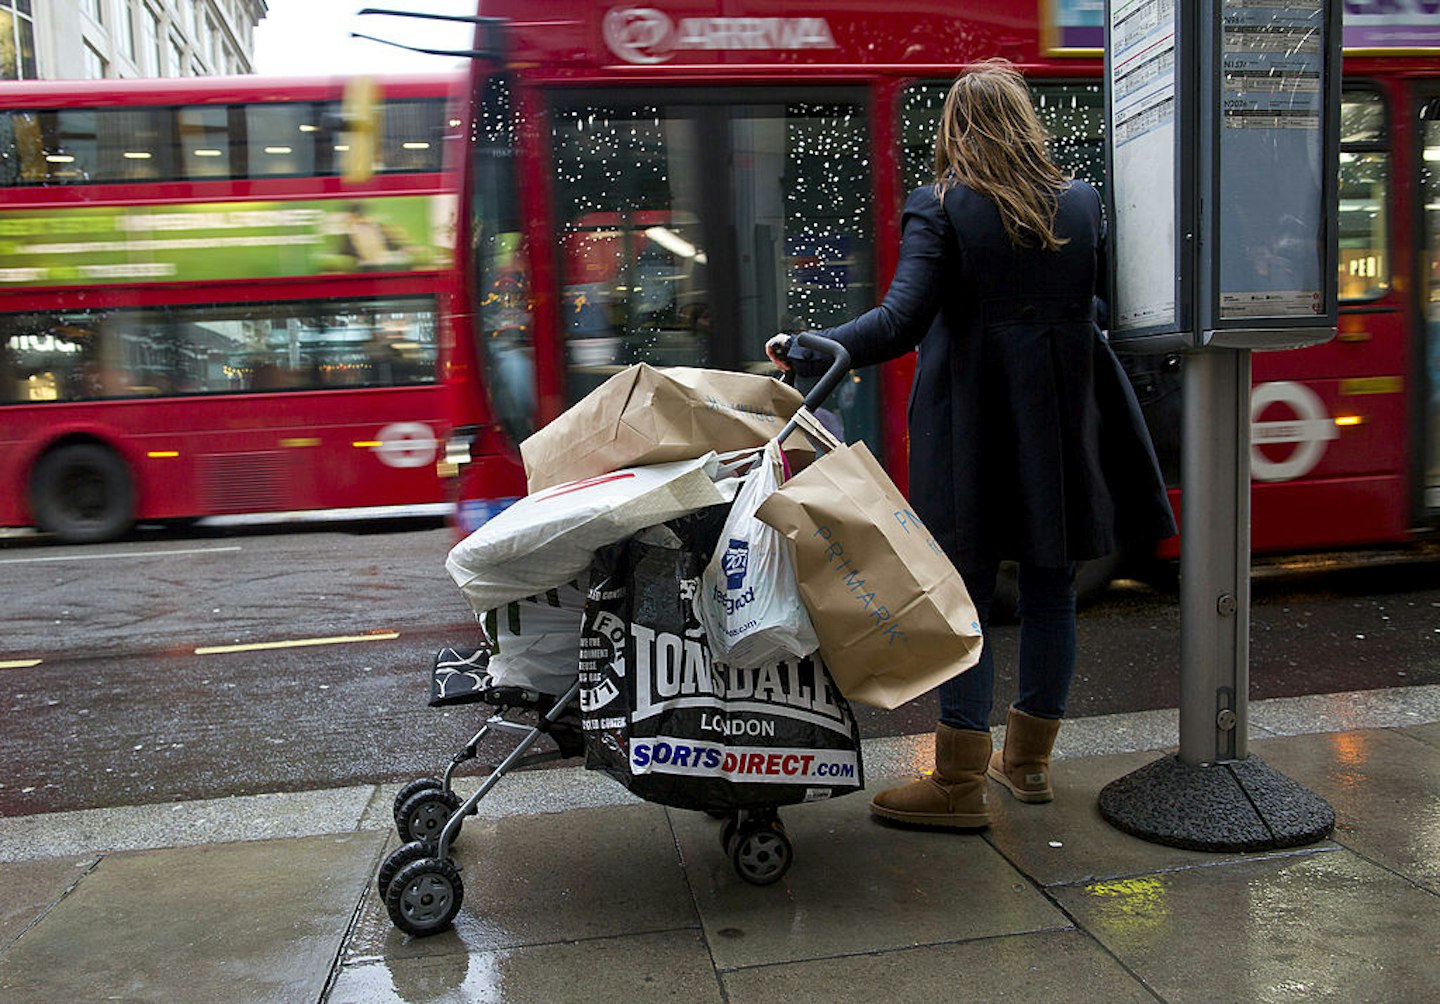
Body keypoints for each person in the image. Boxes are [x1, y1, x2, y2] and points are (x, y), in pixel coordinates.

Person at [766, 59, 1176, 830]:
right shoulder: (1083, 205)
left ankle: (957, 785)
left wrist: (809, 343)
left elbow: (899, 322)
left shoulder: (943, 207)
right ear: (1026, 124)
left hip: (974, 425)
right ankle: (1029, 766)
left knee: (970, 595)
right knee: (1053, 586)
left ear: (956, 130)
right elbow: (1105, 306)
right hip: (1061, 425)